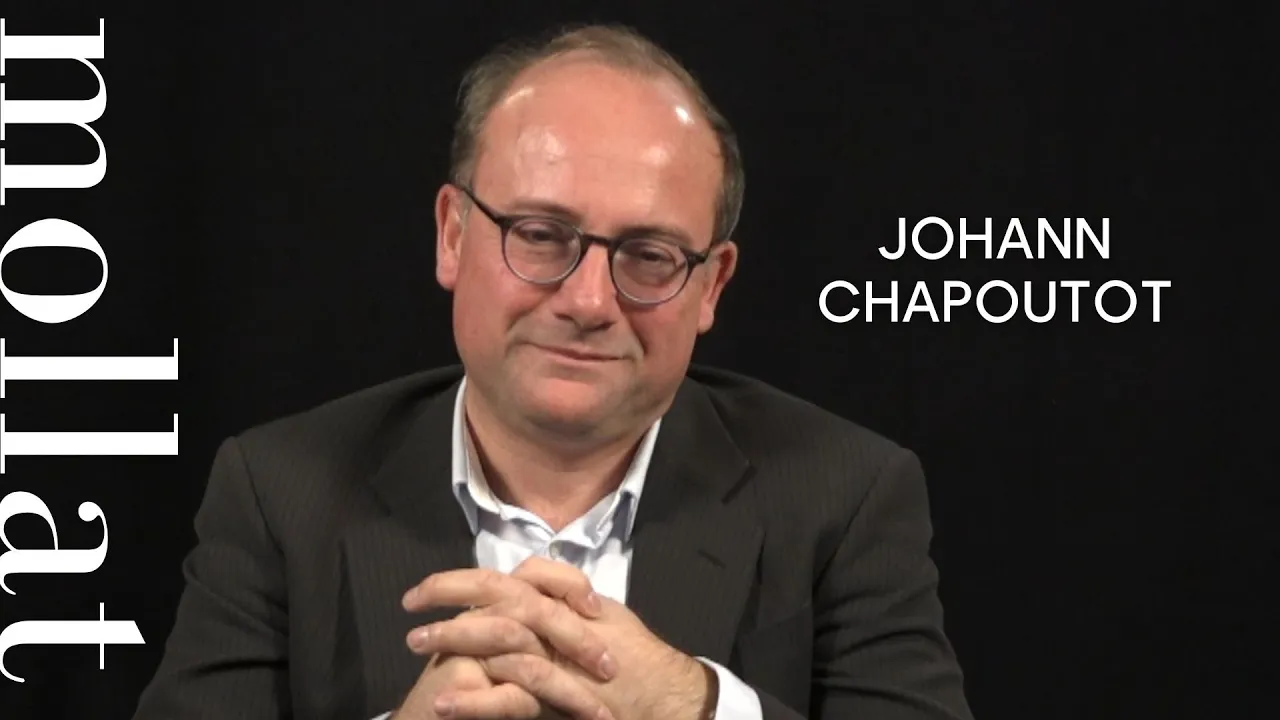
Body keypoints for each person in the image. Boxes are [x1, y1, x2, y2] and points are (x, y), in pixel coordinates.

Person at [133, 23, 973, 720]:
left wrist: (692, 707)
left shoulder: (845, 495)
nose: (589, 300)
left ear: (711, 286)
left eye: (649, 254)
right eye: (540, 236)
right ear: (453, 235)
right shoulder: (280, 492)